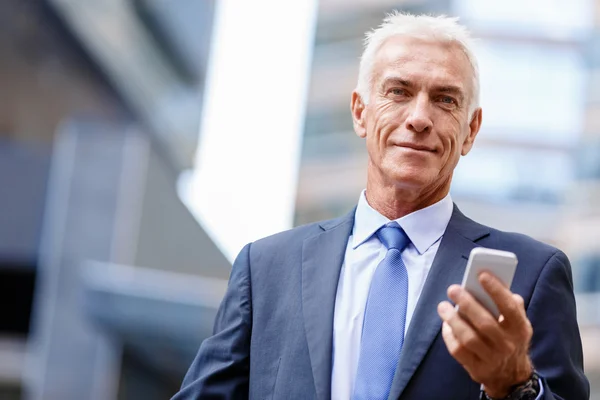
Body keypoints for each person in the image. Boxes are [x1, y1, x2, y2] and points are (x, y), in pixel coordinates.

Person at [172, 12, 589, 400]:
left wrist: (516, 383)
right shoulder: (266, 268)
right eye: (398, 91)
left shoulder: (532, 274)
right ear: (360, 112)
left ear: (470, 130)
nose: (419, 118)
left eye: (445, 100)